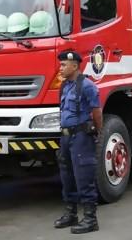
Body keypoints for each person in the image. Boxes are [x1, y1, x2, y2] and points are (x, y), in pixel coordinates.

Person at [54, 50, 103, 234]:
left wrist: (97, 133)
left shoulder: (87, 86)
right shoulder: (65, 86)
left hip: (81, 136)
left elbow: (97, 112)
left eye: (64, 65)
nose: (61, 68)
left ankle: (90, 219)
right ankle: (71, 214)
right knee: (67, 176)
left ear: (74, 66)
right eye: (61, 65)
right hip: (66, 137)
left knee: (84, 176)